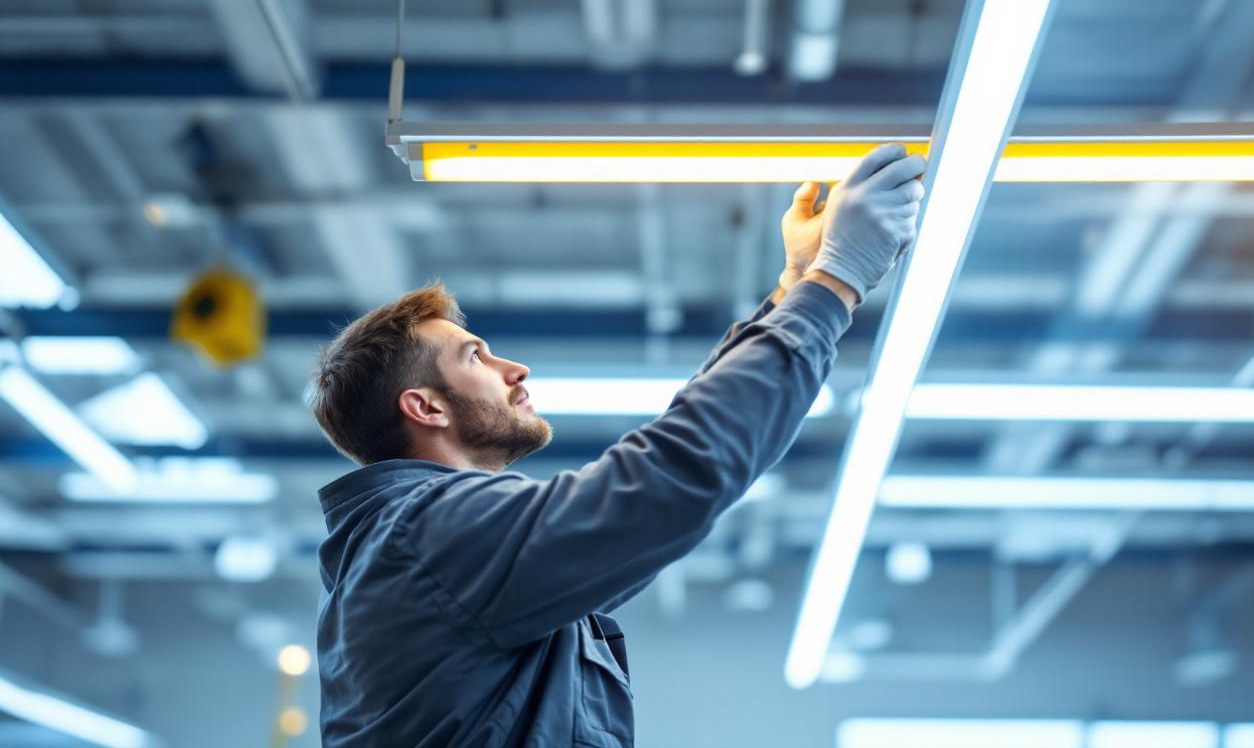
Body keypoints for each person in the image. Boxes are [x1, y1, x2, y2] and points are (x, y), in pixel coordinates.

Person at [309, 144, 926, 746]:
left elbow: (665, 473)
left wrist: (791, 292)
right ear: (425, 407)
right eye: (476, 356)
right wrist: (831, 285)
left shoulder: (434, 551)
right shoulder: (432, 540)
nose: (514, 368)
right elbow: (671, 478)